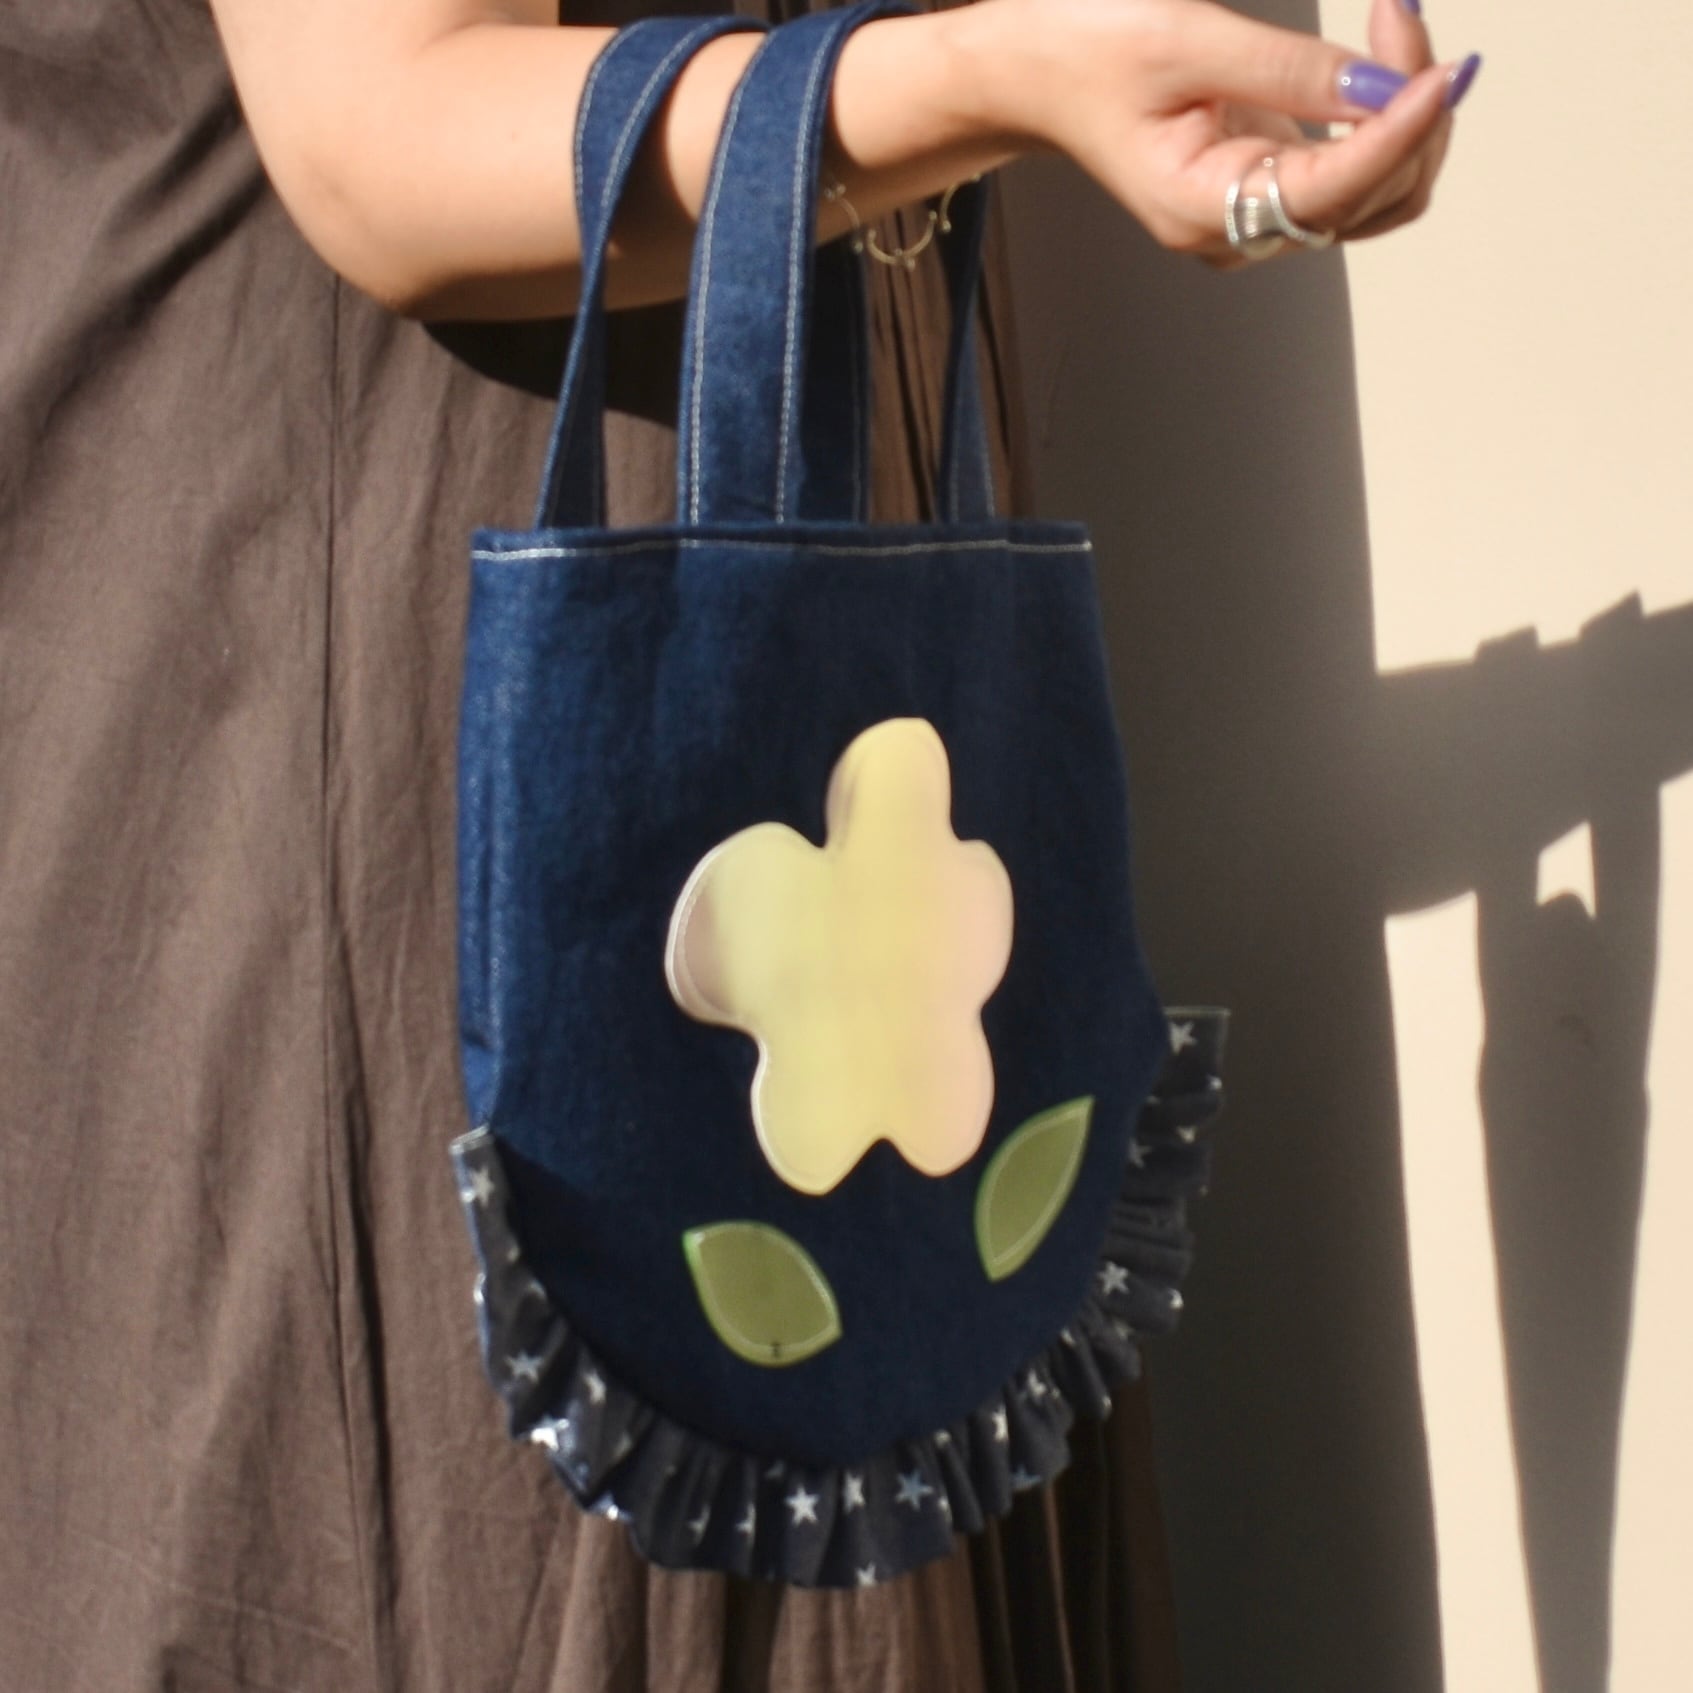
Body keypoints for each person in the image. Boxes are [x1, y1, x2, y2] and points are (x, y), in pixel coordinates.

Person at [0, 0, 1476, 1689]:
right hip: (449, 713)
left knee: (871, 1366)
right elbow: (380, 137)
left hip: (797, 643)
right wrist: (996, 81)